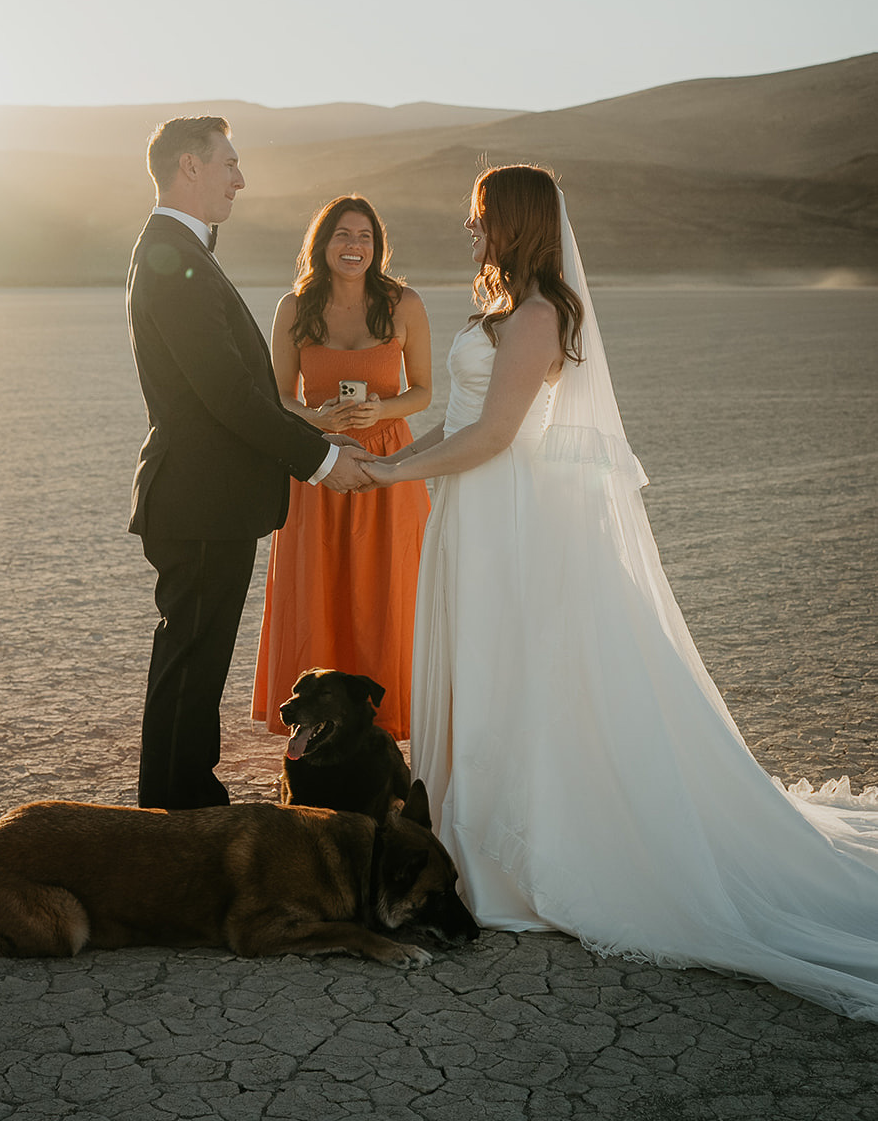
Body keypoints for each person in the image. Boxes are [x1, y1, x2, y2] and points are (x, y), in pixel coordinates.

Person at [361, 163, 878, 1021]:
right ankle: (472, 835)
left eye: (480, 216)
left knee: (515, 666)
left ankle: (519, 856)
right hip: (469, 513)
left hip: (509, 518)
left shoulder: (537, 316)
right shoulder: (499, 310)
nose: (468, 227)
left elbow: (494, 436)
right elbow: (457, 422)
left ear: (516, 223)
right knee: (485, 659)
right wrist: (390, 462)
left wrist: (385, 477)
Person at [126, 116, 370, 811]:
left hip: (206, 502)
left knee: (194, 667)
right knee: (189, 670)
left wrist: (316, 434)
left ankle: (182, 804)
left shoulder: (181, 251)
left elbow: (237, 389)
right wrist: (320, 461)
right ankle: (177, 814)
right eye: (228, 162)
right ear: (188, 167)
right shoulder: (170, 256)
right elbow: (226, 394)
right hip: (199, 502)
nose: (240, 178)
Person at [251, 196, 432, 740]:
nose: (354, 246)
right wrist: (316, 418)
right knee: (319, 586)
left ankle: (390, 712)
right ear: (322, 243)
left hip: (389, 461)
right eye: (342, 235)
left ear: (377, 248)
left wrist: (384, 408)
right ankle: (316, 714)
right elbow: (278, 396)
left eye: (365, 237)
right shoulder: (295, 306)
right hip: (317, 461)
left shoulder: (404, 302)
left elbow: (423, 391)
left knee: (389, 585)